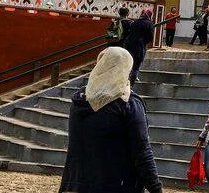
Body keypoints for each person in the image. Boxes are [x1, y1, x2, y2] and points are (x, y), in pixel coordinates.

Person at [59, 47, 163, 193]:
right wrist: (155, 188)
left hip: (76, 184)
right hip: (117, 184)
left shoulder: (80, 100)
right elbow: (142, 151)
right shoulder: (128, 104)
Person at [122, 8, 154, 84]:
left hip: (128, 44)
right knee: (136, 66)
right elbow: (150, 37)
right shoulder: (149, 24)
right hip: (139, 47)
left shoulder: (135, 22)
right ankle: (131, 84)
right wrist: (143, 42)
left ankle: (124, 82)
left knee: (128, 63)